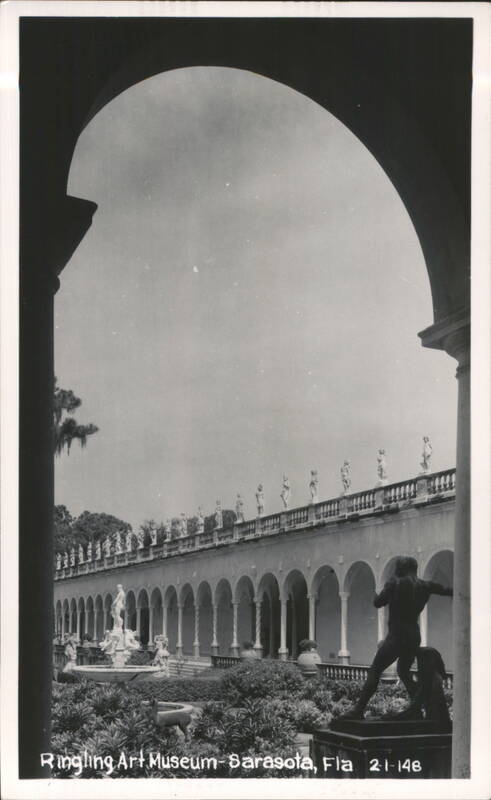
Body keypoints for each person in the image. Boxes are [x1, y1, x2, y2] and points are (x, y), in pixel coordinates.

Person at [338, 556, 453, 719]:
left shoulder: (395, 582)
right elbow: (448, 590)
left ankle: (358, 710)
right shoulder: (426, 585)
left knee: (375, 670)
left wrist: (387, 588)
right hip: (414, 635)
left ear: (401, 568)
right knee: (403, 671)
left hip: (397, 634)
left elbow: (378, 602)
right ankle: (416, 707)